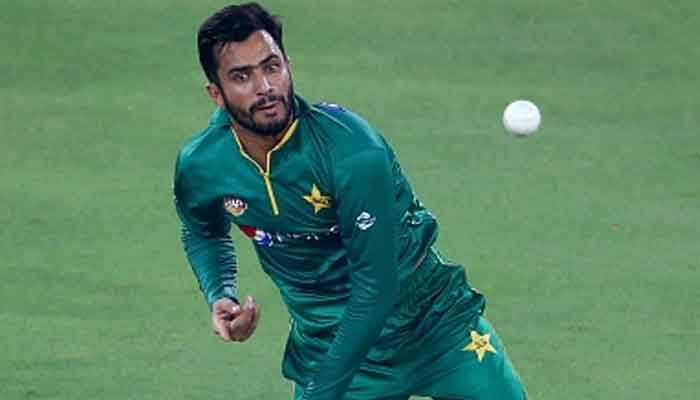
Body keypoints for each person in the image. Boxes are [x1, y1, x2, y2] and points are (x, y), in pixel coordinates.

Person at [173, 3, 527, 399]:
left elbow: (376, 287)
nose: (265, 87)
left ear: (288, 65)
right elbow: (203, 230)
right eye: (242, 76)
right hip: (330, 346)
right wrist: (221, 292)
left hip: (437, 334)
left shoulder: (352, 151)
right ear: (216, 94)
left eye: (271, 66)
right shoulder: (204, 163)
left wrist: (325, 391)